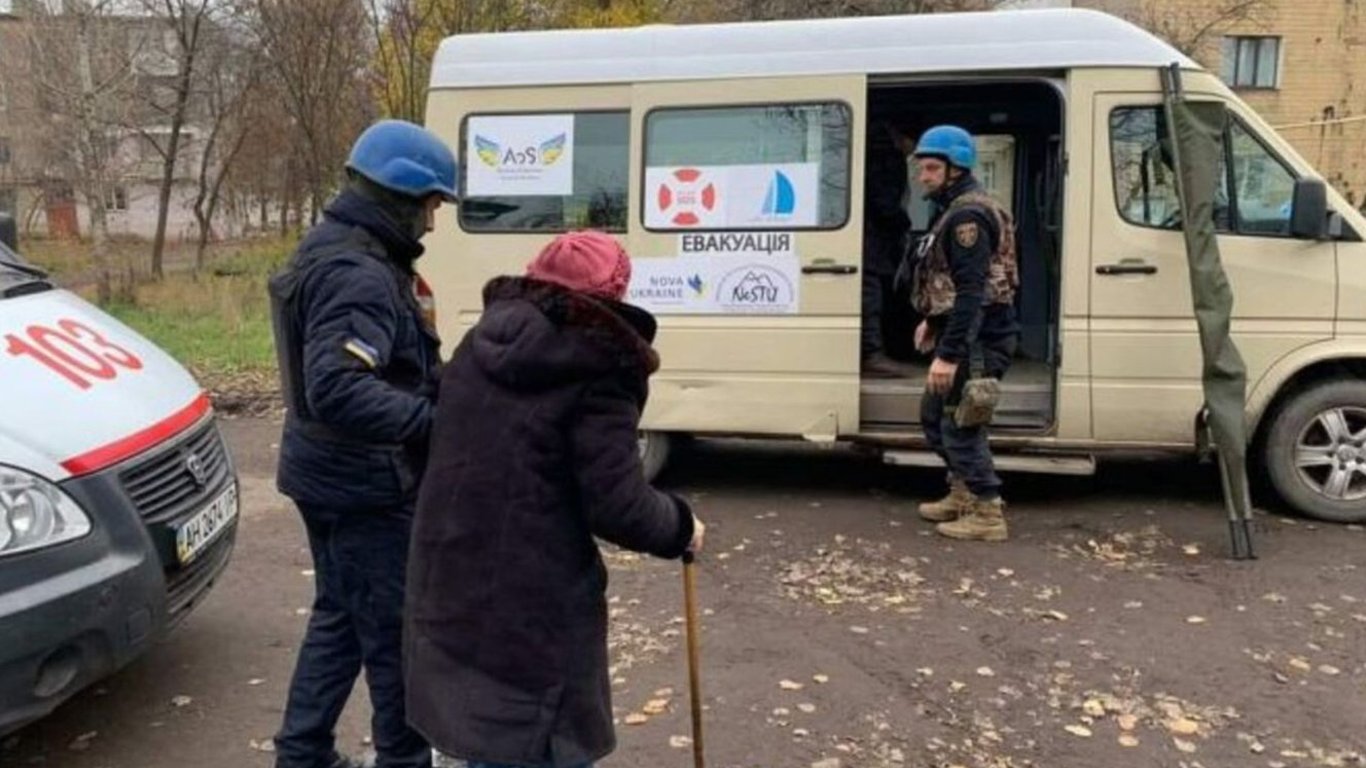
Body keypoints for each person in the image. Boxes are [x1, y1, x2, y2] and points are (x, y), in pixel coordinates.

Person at [404, 231, 705, 768]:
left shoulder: (480, 341)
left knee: (487, 736)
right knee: (534, 740)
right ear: (614, 294)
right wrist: (681, 526)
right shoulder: (601, 363)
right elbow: (618, 503)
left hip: (453, 578)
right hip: (533, 602)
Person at [268, 119, 458, 768]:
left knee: (340, 618)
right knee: (396, 640)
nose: (433, 222)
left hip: (325, 475)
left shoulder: (332, 247)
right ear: (401, 196)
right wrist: (438, 424)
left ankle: (302, 754)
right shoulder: (359, 272)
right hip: (363, 488)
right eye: (431, 204)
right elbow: (338, 389)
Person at [909, 125, 1021, 542]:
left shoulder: (967, 218)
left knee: (960, 425)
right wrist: (933, 321)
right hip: (965, 334)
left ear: (956, 169)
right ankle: (961, 493)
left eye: (933, 167)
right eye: (922, 167)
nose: (924, 176)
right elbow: (953, 284)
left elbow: (973, 292)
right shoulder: (955, 208)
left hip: (978, 341)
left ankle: (988, 513)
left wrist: (949, 354)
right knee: (933, 416)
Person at [862, 121, 913, 377]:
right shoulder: (885, 157)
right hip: (873, 239)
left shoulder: (875, 151)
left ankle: (875, 352)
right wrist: (902, 222)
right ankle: (872, 354)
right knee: (871, 296)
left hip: (872, 237)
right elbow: (885, 203)